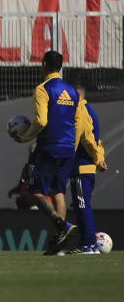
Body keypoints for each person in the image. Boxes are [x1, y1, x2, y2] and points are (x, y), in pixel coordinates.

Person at [13, 50, 105, 254]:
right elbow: (80, 125)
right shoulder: (72, 92)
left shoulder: (43, 89)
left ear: (44, 64)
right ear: (60, 66)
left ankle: (62, 226)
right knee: (58, 192)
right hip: (68, 150)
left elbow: (41, 120)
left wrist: (26, 137)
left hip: (48, 147)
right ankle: (60, 244)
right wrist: (97, 155)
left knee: (35, 190)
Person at [69, 86, 106, 255]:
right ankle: (86, 243)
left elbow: (88, 140)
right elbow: (97, 142)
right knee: (80, 206)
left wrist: (97, 159)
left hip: (81, 167)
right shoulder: (91, 111)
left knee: (83, 207)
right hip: (86, 168)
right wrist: (99, 158)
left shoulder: (81, 110)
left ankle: (89, 244)